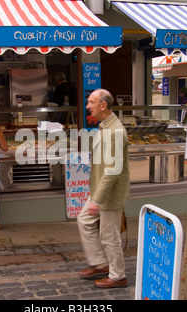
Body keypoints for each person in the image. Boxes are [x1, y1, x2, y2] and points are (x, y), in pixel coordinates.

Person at [77, 88, 130, 289]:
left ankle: (118, 276)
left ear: (103, 105)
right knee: (84, 219)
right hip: (100, 191)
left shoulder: (115, 131)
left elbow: (113, 171)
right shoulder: (106, 126)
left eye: (91, 102)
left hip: (109, 194)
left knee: (109, 236)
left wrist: (97, 199)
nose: (88, 106)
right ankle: (100, 263)